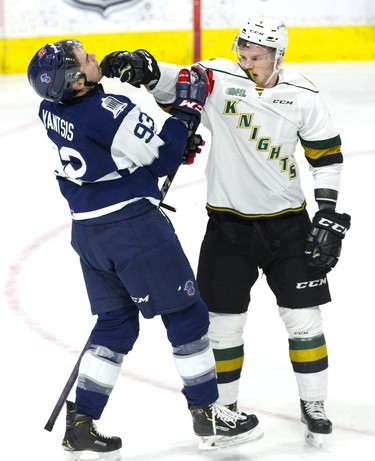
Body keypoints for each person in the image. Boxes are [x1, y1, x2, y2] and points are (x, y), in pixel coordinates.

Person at [99, 14, 351, 448]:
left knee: (304, 319)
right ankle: (224, 412)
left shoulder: (304, 95)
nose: (245, 58)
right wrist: (143, 66)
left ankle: (315, 405)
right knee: (222, 326)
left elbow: (325, 156)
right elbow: (174, 81)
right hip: (228, 229)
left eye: (255, 54)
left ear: (278, 56)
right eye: (242, 50)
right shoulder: (218, 75)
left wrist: (326, 211)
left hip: (289, 227)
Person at [27, 39, 264, 458]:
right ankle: (207, 412)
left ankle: (80, 421)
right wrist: (185, 116)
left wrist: (170, 139)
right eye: (86, 59)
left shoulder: (50, 107)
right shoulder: (107, 110)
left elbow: (118, 153)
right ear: (78, 81)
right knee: (186, 314)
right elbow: (161, 158)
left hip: (89, 234)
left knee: (116, 324)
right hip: (133, 230)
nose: (94, 57)